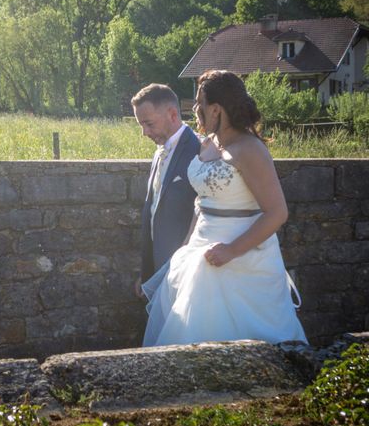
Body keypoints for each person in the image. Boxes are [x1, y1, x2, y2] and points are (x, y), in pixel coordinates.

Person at [141, 70, 307, 347]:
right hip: (199, 247)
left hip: (240, 256)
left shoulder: (250, 149)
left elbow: (277, 212)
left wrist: (232, 251)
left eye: (199, 104)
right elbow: (202, 201)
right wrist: (186, 243)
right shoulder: (209, 144)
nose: (194, 110)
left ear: (216, 109)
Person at [131, 84, 201, 299]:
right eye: (141, 125)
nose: (144, 133)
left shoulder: (200, 149)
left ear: (172, 114)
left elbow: (205, 213)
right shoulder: (159, 152)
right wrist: (147, 273)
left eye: (149, 124)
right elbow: (153, 213)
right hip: (158, 271)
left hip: (189, 274)